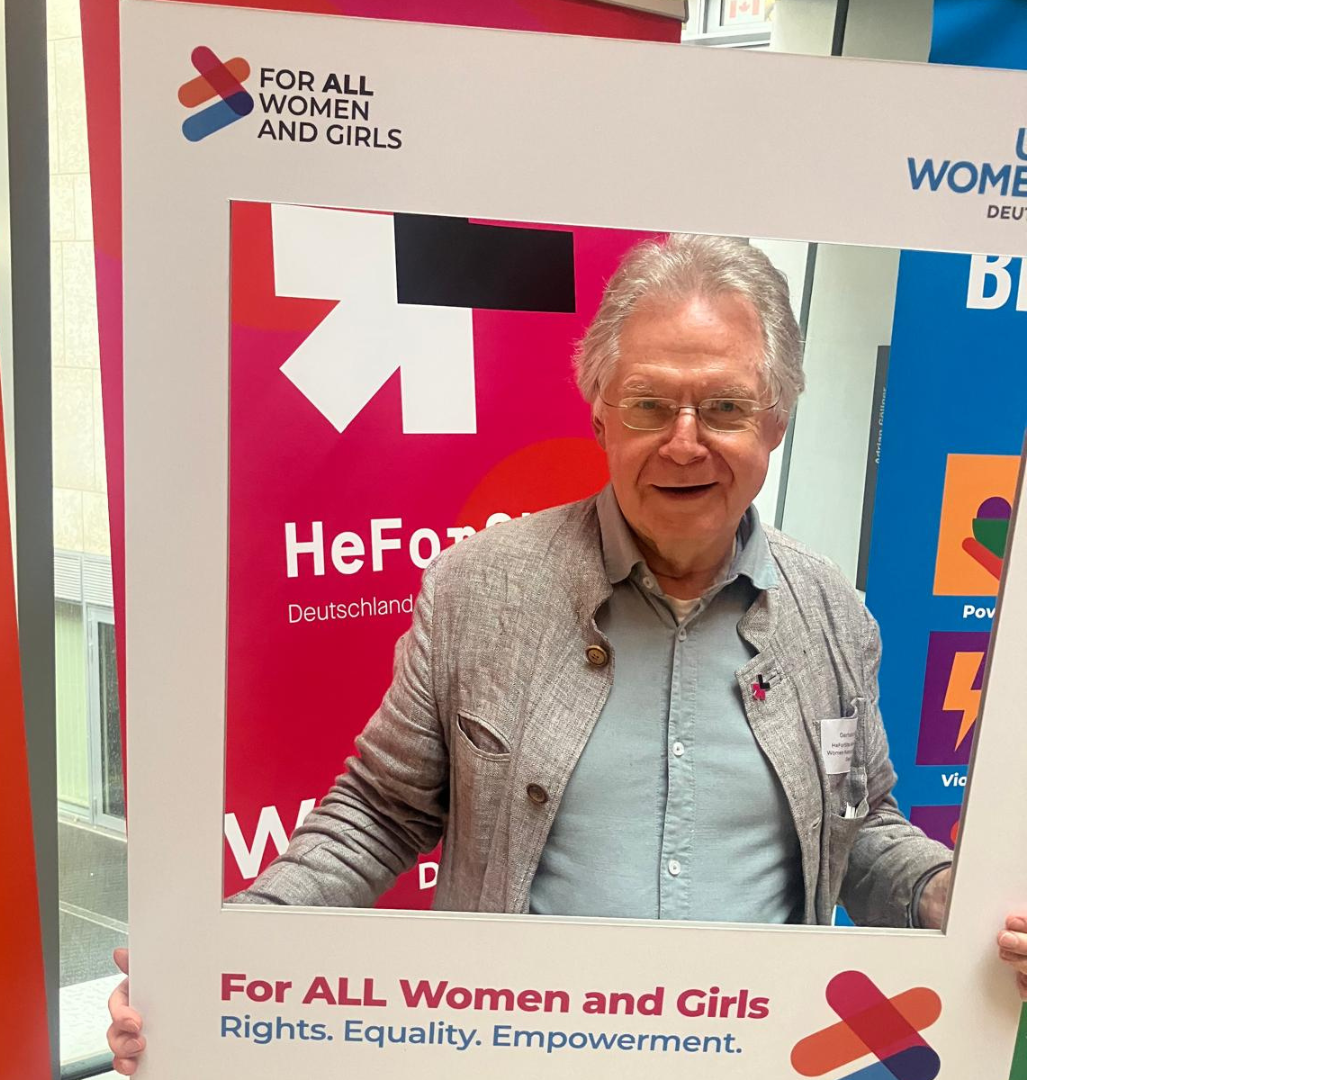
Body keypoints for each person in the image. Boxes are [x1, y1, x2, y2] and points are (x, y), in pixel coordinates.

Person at [106, 234, 1026, 1075]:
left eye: (726, 407)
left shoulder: (834, 614)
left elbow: (860, 829)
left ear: (776, 423)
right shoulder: (477, 590)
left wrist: (954, 899)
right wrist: (227, 959)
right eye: (649, 403)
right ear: (600, 417)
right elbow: (379, 812)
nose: (684, 441)